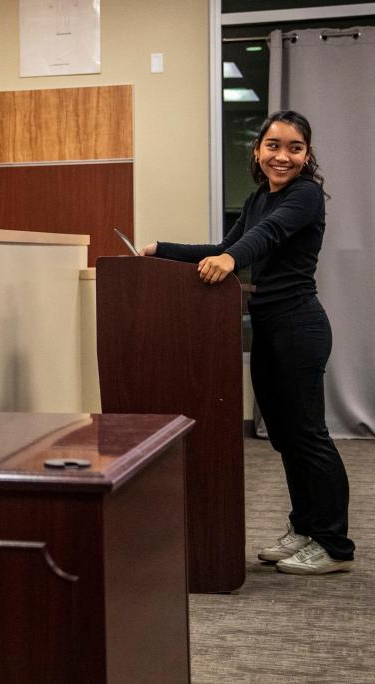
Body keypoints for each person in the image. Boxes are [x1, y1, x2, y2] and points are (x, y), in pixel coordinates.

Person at [140, 110, 354, 575]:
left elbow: (263, 239)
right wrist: (161, 251)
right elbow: (224, 247)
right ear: (257, 151)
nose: (283, 155)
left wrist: (231, 259)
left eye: (294, 147)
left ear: (306, 155)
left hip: (299, 327)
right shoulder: (260, 197)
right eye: (273, 145)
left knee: (309, 437)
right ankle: (305, 528)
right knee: (285, 438)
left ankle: (335, 545)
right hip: (270, 328)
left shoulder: (306, 196)